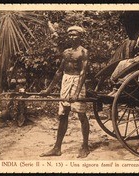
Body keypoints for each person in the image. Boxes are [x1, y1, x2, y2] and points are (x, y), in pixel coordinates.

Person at [40, 26, 90, 158]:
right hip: (66, 81)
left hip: (77, 81)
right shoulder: (66, 52)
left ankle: (85, 146)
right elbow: (59, 72)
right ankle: (57, 148)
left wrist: (77, 93)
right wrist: (48, 90)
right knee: (63, 114)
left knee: (81, 115)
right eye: (70, 35)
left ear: (80, 36)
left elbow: (83, 73)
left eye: (75, 35)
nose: (72, 37)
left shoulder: (83, 52)